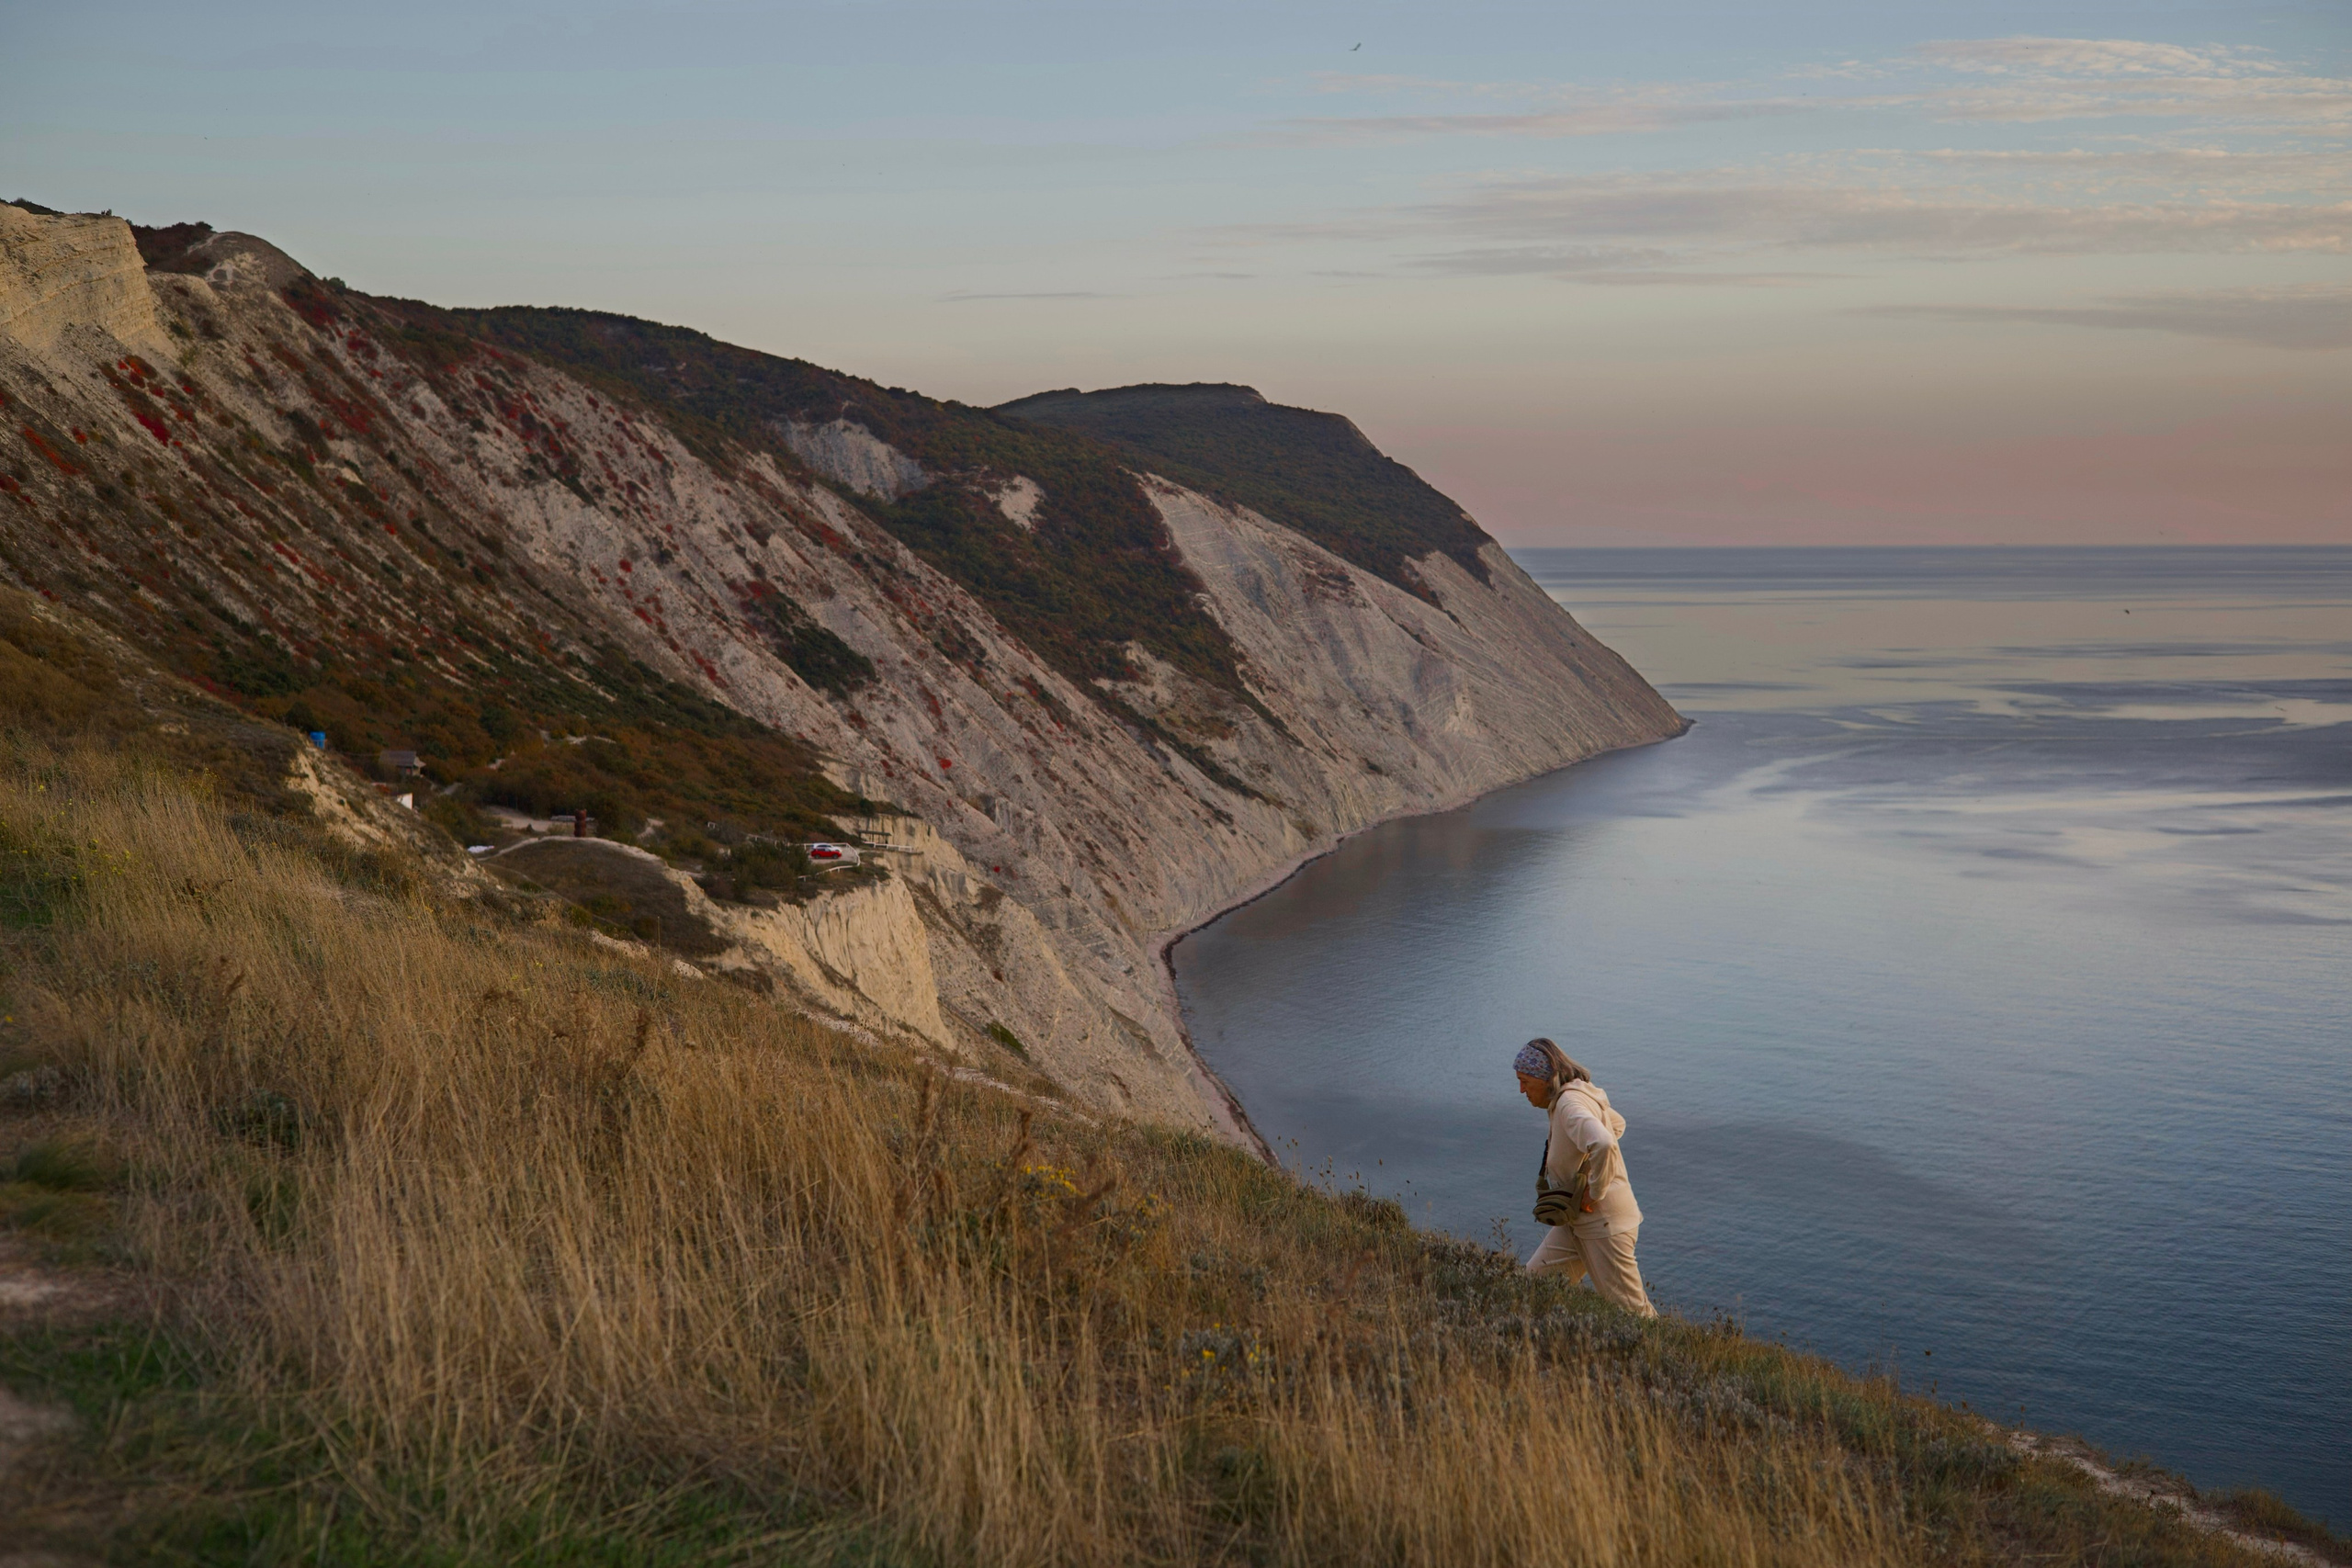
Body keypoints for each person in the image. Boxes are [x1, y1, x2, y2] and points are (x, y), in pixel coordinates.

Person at [1513, 1037, 1657, 1317]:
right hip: (1576, 1219)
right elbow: (1616, 1124)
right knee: (1532, 1286)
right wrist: (1586, 1169)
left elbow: (1602, 1142)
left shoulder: (1568, 1105)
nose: (1521, 1090)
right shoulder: (1576, 1096)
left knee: (1632, 1314)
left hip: (1604, 1223)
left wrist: (1596, 1189)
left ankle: (1663, 1357)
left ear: (1544, 1078)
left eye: (1525, 1081)